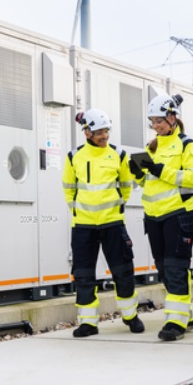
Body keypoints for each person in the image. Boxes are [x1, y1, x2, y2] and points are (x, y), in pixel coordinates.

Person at [128, 93, 193, 341]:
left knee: (175, 268)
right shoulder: (152, 147)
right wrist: (137, 172)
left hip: (178, 215)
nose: (156, 125)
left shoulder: (188, 145)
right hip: (154, 217)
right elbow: (147, 182)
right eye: (152, 121)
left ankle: (175, 323)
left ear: (172, 117)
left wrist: (159, 169)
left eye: (159, 120)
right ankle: (185, 314)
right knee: (164, 269)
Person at [62, 108, 145, 337]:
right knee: (83, 274)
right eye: (99, 132)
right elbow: (68, 189)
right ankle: (88, 323)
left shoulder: (119, 155)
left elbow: (126, 185)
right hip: (83, 226)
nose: (104, 136)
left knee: (123, 271)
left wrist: (118, 206)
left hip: (112, 223)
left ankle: (130, 316)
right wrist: (77, 209)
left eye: (106, 131)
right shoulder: (73, 157)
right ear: (87, 132)